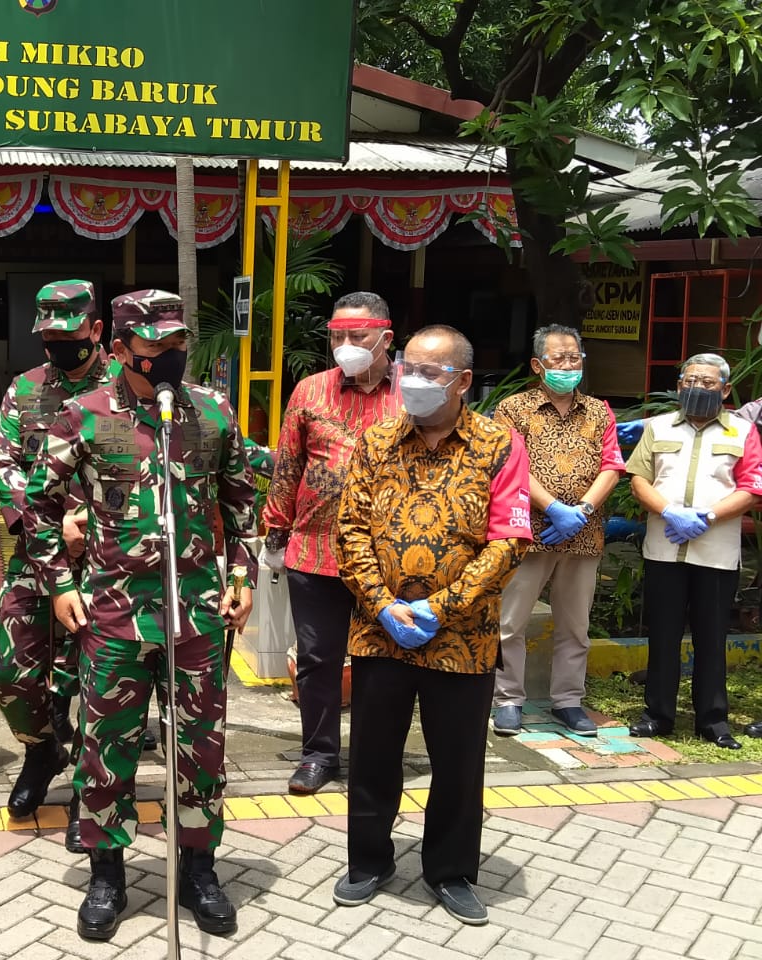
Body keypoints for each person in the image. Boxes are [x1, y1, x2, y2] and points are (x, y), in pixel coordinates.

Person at [23, 289, 256, 942]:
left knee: (200, 749)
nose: (169, 356)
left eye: (177, 344)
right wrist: (59, 581)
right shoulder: (85, 417)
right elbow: (37, 503)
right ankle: (107, 871)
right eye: (154, 346)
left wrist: (242, 574)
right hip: (115, 616)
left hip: (198, 617)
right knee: (106, 752)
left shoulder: (211, 414)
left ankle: (200, 866)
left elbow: (241, 501)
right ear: (120, 348)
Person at [334, 325, 532, 926]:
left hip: (462, 636)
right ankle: (370, 860)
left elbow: (510, 539)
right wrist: (382, 604)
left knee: (457, 760)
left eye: (430, 372)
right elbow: (352, 530)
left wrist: (441, 607)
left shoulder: (498, 445)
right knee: (372, 755)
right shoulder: (376, 443)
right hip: (378, 629)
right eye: (407, 370)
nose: (412, 382)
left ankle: (450, 871)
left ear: (464, 381)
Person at [0, 280, 112, 848]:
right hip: (38, 554)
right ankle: (42, 751)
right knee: (11, 670)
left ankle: (91, 793)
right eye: (48, 337)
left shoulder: (125, 389)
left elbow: (139, 468)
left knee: (98, 678)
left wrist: (85, 516)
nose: (58, 346)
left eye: (69, 335)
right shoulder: (26, 389)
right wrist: (48, 523)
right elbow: (1, 460)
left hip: (113, 558)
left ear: (95, 330)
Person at [261, 291, 401, 794]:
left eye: (356, 336)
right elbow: (288, 465)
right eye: (337, 336)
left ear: (385, 338)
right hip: (314, 552)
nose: (345, 345)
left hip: (390, 559)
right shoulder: (310, 390)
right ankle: (319, 754)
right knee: (319, 660)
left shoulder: (414, 393)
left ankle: (372, 753)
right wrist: (275, 527)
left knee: (380, 661)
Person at [491, 324, 625, 737]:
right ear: (537, 365)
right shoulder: (514, 409)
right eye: (558, 359)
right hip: (529, 531)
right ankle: (507, 699)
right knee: (510, 621)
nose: (568, 365)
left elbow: (612, 466)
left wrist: (580, 510)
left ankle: (568, 700)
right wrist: (552, 508)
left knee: (575, 624)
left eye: (574, 358)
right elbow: (509, 465)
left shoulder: (599, 411)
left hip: (583, 533)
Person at [624, 353, 762, 749]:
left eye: (708, 382)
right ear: (679, 384)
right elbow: (638, 478)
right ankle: (657, 715)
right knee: (663, 634)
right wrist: (668, 511)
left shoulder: (742, 431)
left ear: (726, 389)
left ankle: (713, 720)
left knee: (712, 636)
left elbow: (751, 487)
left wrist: (708, 517)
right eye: (690, 380)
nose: (698, 388)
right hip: (664, 548)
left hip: (716, 552)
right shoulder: (660, 426)